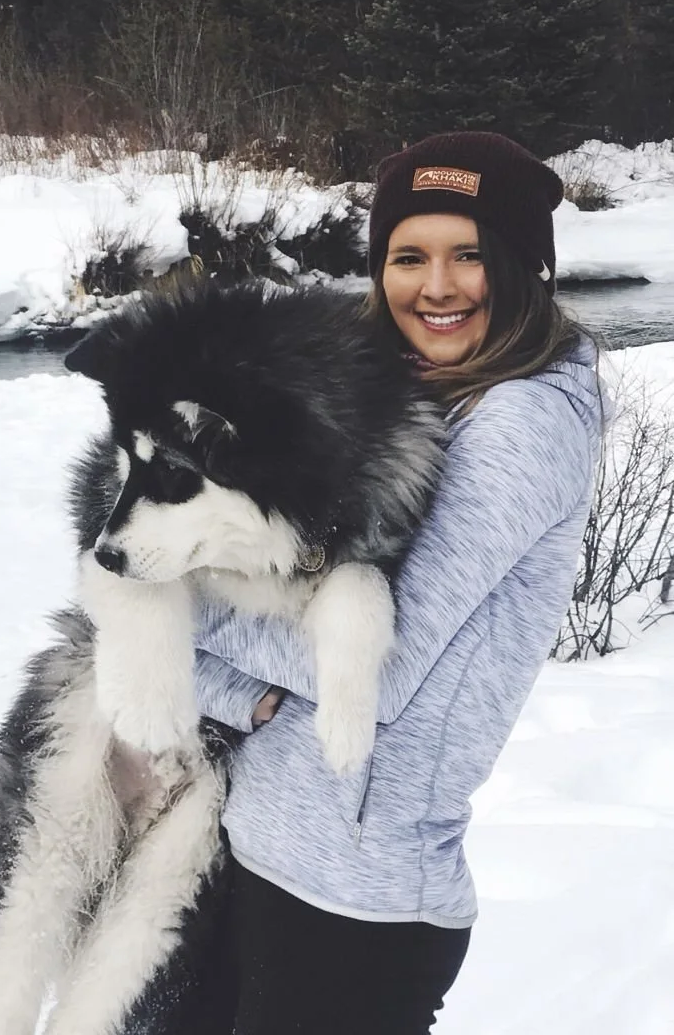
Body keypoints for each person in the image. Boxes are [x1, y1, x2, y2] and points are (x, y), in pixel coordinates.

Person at [188, 130, 602, 1035]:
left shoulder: (523, 422)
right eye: (408, 257)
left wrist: (175, 603)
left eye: (471, 255)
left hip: (356, 902)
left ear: (524, 268)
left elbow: (372, 664)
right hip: (255, 847)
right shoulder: (383, 399)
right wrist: (230, 686)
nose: (437, 286)